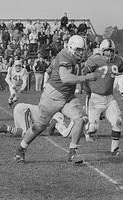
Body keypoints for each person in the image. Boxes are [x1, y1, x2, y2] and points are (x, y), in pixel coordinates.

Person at [14, 35, 99, 164]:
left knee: (80, 119)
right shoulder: (65, 55)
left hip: (68, 96)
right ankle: (21, 149)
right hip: (52, 96)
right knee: (39, 126)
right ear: (70, 47)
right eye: (78, 50)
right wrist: (87, 77)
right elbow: (66, 78)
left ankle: (72, 153)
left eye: (82, 50)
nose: (81, 52)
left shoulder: (73, 56)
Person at [83, 39, 123, 154]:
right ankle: (84, 126)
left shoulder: (117, 61)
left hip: (109, 98)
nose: (110, 54)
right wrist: (87, 90)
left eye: (111, 51)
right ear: (102, 51)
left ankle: (115, 148)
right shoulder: (94, 60)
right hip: (95, 98)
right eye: (107, 51)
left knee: (118, 121)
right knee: (93, 128)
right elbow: (84, 75)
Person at [0, 103, 72, 138]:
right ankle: (5, 128)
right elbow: (51, 128)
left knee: (21, 132)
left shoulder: (54, 109)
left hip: (21, 108)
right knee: (27, 134)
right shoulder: (59, 114)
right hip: (25, 110)